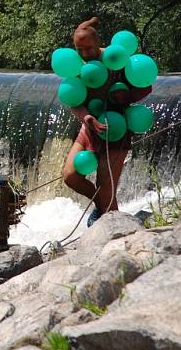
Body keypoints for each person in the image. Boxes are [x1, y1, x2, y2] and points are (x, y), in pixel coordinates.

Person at [61, 17, 152, 226]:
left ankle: (115, 237)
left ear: (98, 42)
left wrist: (127, 97)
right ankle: (100, 207)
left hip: (116, 129)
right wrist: (86, 116)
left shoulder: (116, 61)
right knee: (70, 176)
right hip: (90, 126)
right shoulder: (77, 66)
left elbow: (146, 86)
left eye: (89, 48)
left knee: (106, 189)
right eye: (79, 49)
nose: (84, 54)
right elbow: (73, 100)